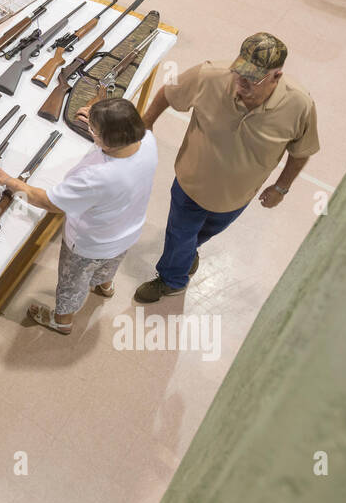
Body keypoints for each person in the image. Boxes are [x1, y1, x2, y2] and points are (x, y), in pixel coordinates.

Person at [134, 33, 321, 303]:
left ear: (276, 77)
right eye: (239, 73)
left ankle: (189, 252)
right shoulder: (210, 75)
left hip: (236, 196)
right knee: (180, 232)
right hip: (192, 181)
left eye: (252, 78)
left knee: (200, 234)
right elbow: (169, 92)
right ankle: (172, 280)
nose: (241, 82)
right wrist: (146, 123)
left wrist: (281, 188)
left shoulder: (299, 105)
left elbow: (301, 151)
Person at [0, 98, 157, 333]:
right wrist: (99, 121)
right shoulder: (147, 139)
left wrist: (7, 180)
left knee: (72, 283)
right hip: (127, 231)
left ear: (105, 138)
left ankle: (62, 320)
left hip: (89, 243)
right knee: (108, 266)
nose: (90, 131)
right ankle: (104, 286)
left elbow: (47, 201)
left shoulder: (97, 177)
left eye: (93, 130)